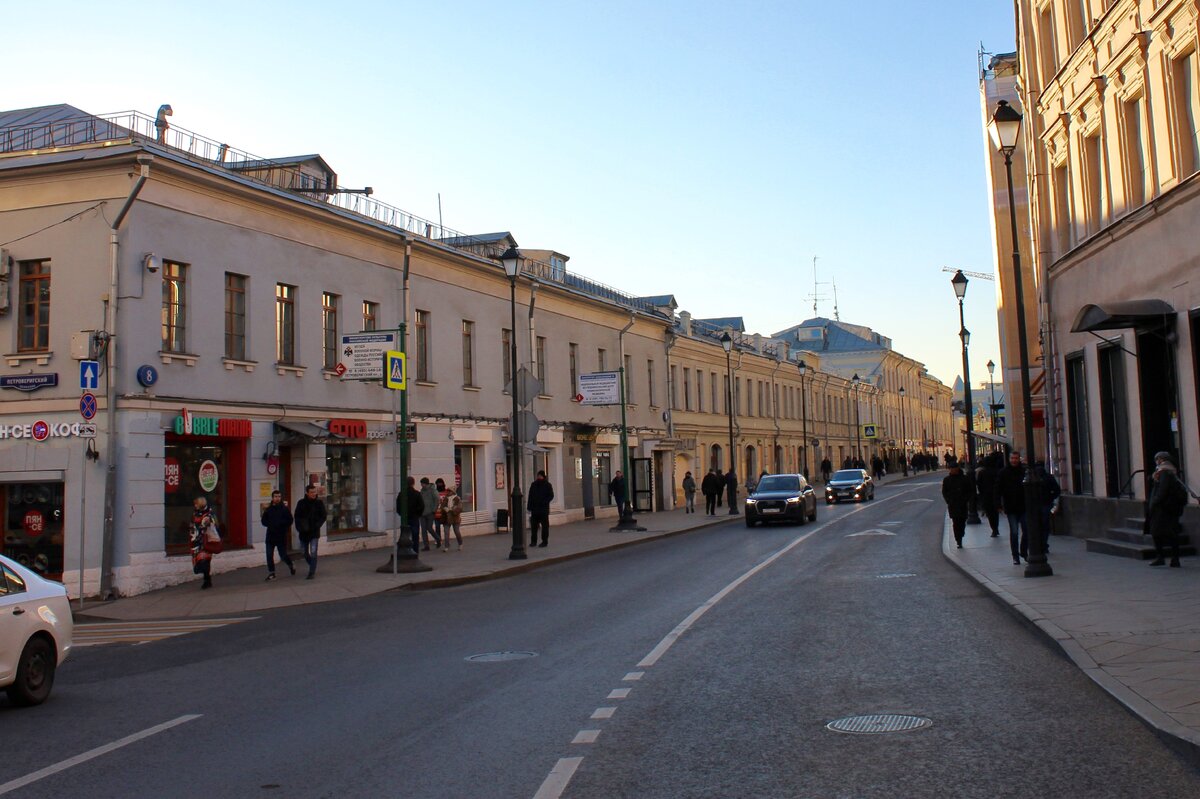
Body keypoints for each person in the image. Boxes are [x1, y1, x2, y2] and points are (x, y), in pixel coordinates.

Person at [1146, 451, 1187, 567]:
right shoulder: (1169, 471)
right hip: (1170, 508)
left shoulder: (1164, 472)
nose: (1156, 461)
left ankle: (1162, 557)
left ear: (1161, 459)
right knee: (1171, 533)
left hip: (1163, 509)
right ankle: (1173, 559)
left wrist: (1154, 502)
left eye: (1157, 459)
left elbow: (1162, 490)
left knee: (1158, 532)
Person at [995, 451, 1028, 565]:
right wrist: (999, 504)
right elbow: (998, 489)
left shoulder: (1024, 471)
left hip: (1024, 506)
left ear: (1019, 459)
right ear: (1009, 459)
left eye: (1016, 458)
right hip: (1010, 506)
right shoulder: (1003, 473)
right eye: (1012, 458)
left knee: (1027, 530)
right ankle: (1015, 556)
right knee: (1014, 532)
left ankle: (1023, 551)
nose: (1014, 460)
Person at [261, 490, 295, 581]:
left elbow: (290, 520)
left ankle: (290, 565)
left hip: (281, 536)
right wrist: (270, 524)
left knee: (283, 555)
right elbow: (263, 521)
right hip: (270, 536)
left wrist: (281, 524)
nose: (277, 498)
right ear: (272, 498)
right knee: (269, 555)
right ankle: (272, 573)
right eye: (275, 496)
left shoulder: (284, 509)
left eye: (279, 496)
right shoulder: (268, 509)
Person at [294, 484, 327, 579]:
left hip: (314, 532)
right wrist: (299, 527)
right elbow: (297, 516)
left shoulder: (319, 503)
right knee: (304, 552)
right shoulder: (301, 503)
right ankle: (312, 564)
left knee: (313, 552)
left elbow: (323, 516)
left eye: (314, 492)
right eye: (311, 492)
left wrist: (317, 525)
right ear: (307, 493)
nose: (313, 494)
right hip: (303, 532)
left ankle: (311, 571)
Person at [942, 459, 974, 549]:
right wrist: (948, 500)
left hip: (962, 504)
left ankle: (961, 534)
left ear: (957, 469)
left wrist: (966, 499)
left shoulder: (964, 478)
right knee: (956, 522)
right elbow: (944, 492)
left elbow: (969, 490)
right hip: (953, 505)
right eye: (951, 468)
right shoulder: (947, 480)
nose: (953, 470)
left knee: (962, 521)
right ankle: (958, 540)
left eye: (954, 468)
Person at [190, 496, 219, 589]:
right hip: (195, 540)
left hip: (205, 540)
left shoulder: (209, 514)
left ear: (200, 504)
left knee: (205, 560)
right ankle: (207, 579)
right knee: (199, 561)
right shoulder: (195, 513)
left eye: (196, 504)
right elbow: (192, 524)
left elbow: (212, 525)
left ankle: (207, 580)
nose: (195, 505)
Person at [975, 452, 1002, 537]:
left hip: (986, 495)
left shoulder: (982, 472)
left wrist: (981, 494)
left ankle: (994, 528)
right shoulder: (997, 472)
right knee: (995, 512)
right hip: (995, 495)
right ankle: (996, 528)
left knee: (990, 513)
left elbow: (979, 484)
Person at [527, 470, 554, 547]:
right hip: (535, 509)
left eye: (540, 476)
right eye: (538, 475)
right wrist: (529, 506)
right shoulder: (534, 485)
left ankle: (544, 541)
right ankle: (533, 541)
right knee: (534, 527)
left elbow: (551, 495)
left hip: (543, 509)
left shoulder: (547, 485)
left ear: (543, 476)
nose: (539, 477)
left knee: (545, 526)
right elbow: (530, 496)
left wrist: (545, 502)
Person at [401, 476, 424, 555]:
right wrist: (417, 514)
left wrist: (402, 514)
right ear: (413, 483)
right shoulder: (417, 494)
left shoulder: (402, 493)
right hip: (414, 517)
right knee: (415, 535)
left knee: (404, 535)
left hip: (405, 517)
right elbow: (421, 506)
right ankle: (415, 551)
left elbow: (398, 505)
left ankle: (404, 551)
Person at [419, 477, 442, 552]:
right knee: (423, 530)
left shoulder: (432, 490)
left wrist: (434, 510)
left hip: (430, 512)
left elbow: (437, 499)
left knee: (429, 528)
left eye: (422, 484)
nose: (421, 485)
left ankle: (438, 539)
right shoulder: (422, 491)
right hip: (422, 513)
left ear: (426, 483)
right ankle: (426, 546)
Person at [439, 486, 464, 551]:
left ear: (453, 492)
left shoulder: (457, 499)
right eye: (448, 491)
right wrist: (445, 509)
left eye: (449, 491)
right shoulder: (446, 498)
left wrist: (453, 510)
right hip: (446, 518)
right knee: (446, 532)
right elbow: (442, 506)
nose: (448, 492)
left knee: (457, 531)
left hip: (455, 518)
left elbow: (460, 508)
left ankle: (460, 544)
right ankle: (446, 546)